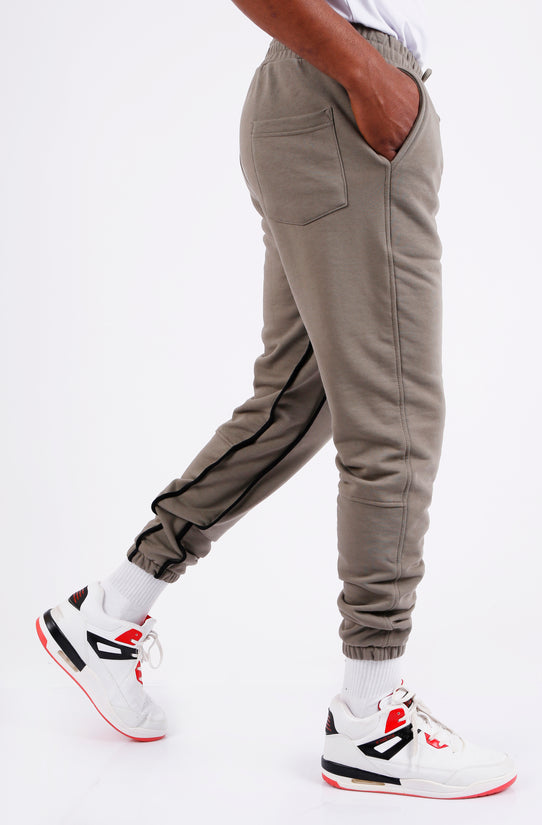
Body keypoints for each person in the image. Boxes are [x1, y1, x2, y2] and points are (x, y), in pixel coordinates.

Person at [36, 0, 517, 799]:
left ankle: (111, 608)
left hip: (315, 95)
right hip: (343, 87)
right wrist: (369, 75)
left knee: (298, 401)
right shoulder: (356, 76)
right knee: (394, 418)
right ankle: (373, 720)